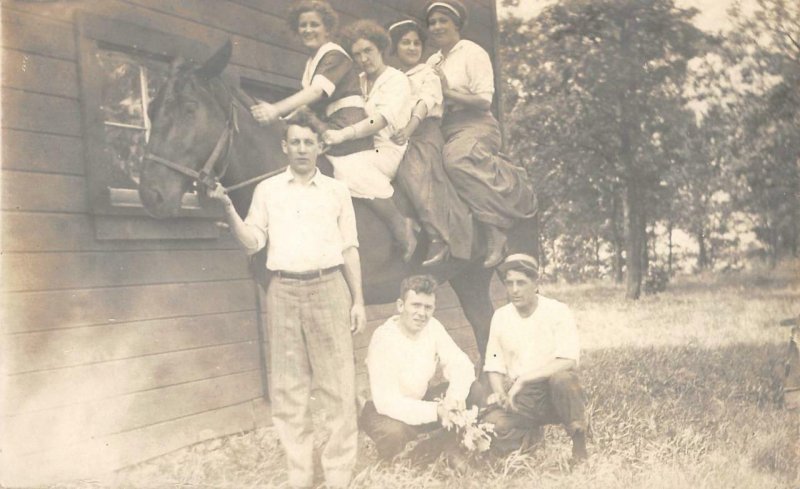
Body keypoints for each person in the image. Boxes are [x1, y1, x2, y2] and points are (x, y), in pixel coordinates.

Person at [208, 110, 366, 489]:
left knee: (338, 388)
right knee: (288, 390)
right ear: (284, 147)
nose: (301, 149)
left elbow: (350, 249)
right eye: (294, 142)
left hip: (329, 289)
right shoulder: (268, 191)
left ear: (319, 146)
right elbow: (253, 242)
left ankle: (339, 476)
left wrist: (358, 300)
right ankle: (301, 476)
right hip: (282, 292)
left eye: (309, 142)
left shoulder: (337, 191)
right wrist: (228, 209)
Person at [251, 0, 416, 262]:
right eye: (302, 25)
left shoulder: (335, 55)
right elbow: (308, 103)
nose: (308, 29)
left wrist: (276, 109)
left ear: (327, 28)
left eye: (314, 24)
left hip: (365, 135)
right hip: (341, 128)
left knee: (347, 171)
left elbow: (317, 93)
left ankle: (399, 224)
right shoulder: (320, 64)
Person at [424, 0, 537, 268]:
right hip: (443, 126)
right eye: (432, 22)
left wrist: (446, 90)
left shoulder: (472, 53)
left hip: (475, 125)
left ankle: (495, 230)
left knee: (456, 160)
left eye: (443, 20)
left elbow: (484, 101)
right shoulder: (432, 60)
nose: (437, 26)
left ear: (456, 24)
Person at [323, 19, 418, 262]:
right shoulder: (360, 80)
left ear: (380, 48)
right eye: (357, 54)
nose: (364, 58)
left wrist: (343, 134)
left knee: (349, 170)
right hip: (360, 146)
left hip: (387, 148)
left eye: (368, 51)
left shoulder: (396, 79)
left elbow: (381, 120)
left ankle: (400, 225)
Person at [481, 253, 588, 461]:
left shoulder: (557, 311)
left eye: (521, 283)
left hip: (553, 392)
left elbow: (569, 359)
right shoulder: (501, 316)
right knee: (493, 425)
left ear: (536, 283)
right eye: (509, 283)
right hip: (522, 397)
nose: (514, 290)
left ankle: (579, 442)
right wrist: (500, 393)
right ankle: (528, 437)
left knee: (565, 380)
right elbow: (493, 362)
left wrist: (524, 379)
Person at [361, 274, 476, 461]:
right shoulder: (384, 339)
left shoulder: (433, 327)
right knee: (395, 434)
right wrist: (437, 411)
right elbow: (387, 401)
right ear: (400, 306)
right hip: (385, 410)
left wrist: (454, 398)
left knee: (474, 391)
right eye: (415, 305)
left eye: (428, 307)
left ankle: (441, 446)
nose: (422, 313)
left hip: (421, 401)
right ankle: (424, 452)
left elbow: (461, 364)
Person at [387, 19, 474, 267]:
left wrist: (409, 129)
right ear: (395, 48)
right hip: (396, 136)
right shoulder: (394, 77)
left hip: (423, 133)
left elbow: (426, 102)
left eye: (416, 43)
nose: (412, 47)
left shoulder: (428, 73)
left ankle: (438, 237)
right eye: (406, 43)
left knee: (413, 172)